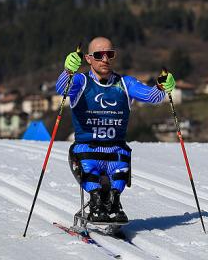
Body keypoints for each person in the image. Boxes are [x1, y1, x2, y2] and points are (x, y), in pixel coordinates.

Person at [56, 36, 175, 224]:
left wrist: (162, 87)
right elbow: (62, 88)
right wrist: (68, 71)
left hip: (115, 149)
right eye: (99, 55)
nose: (105, 59)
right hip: (87, 149)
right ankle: (95, 203)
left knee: (119, 170)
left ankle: (114, 202)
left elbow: (152, 97)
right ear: (88, 58)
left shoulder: (125, 83)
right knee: (90, 171)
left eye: (109, 54)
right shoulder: (81, 81)